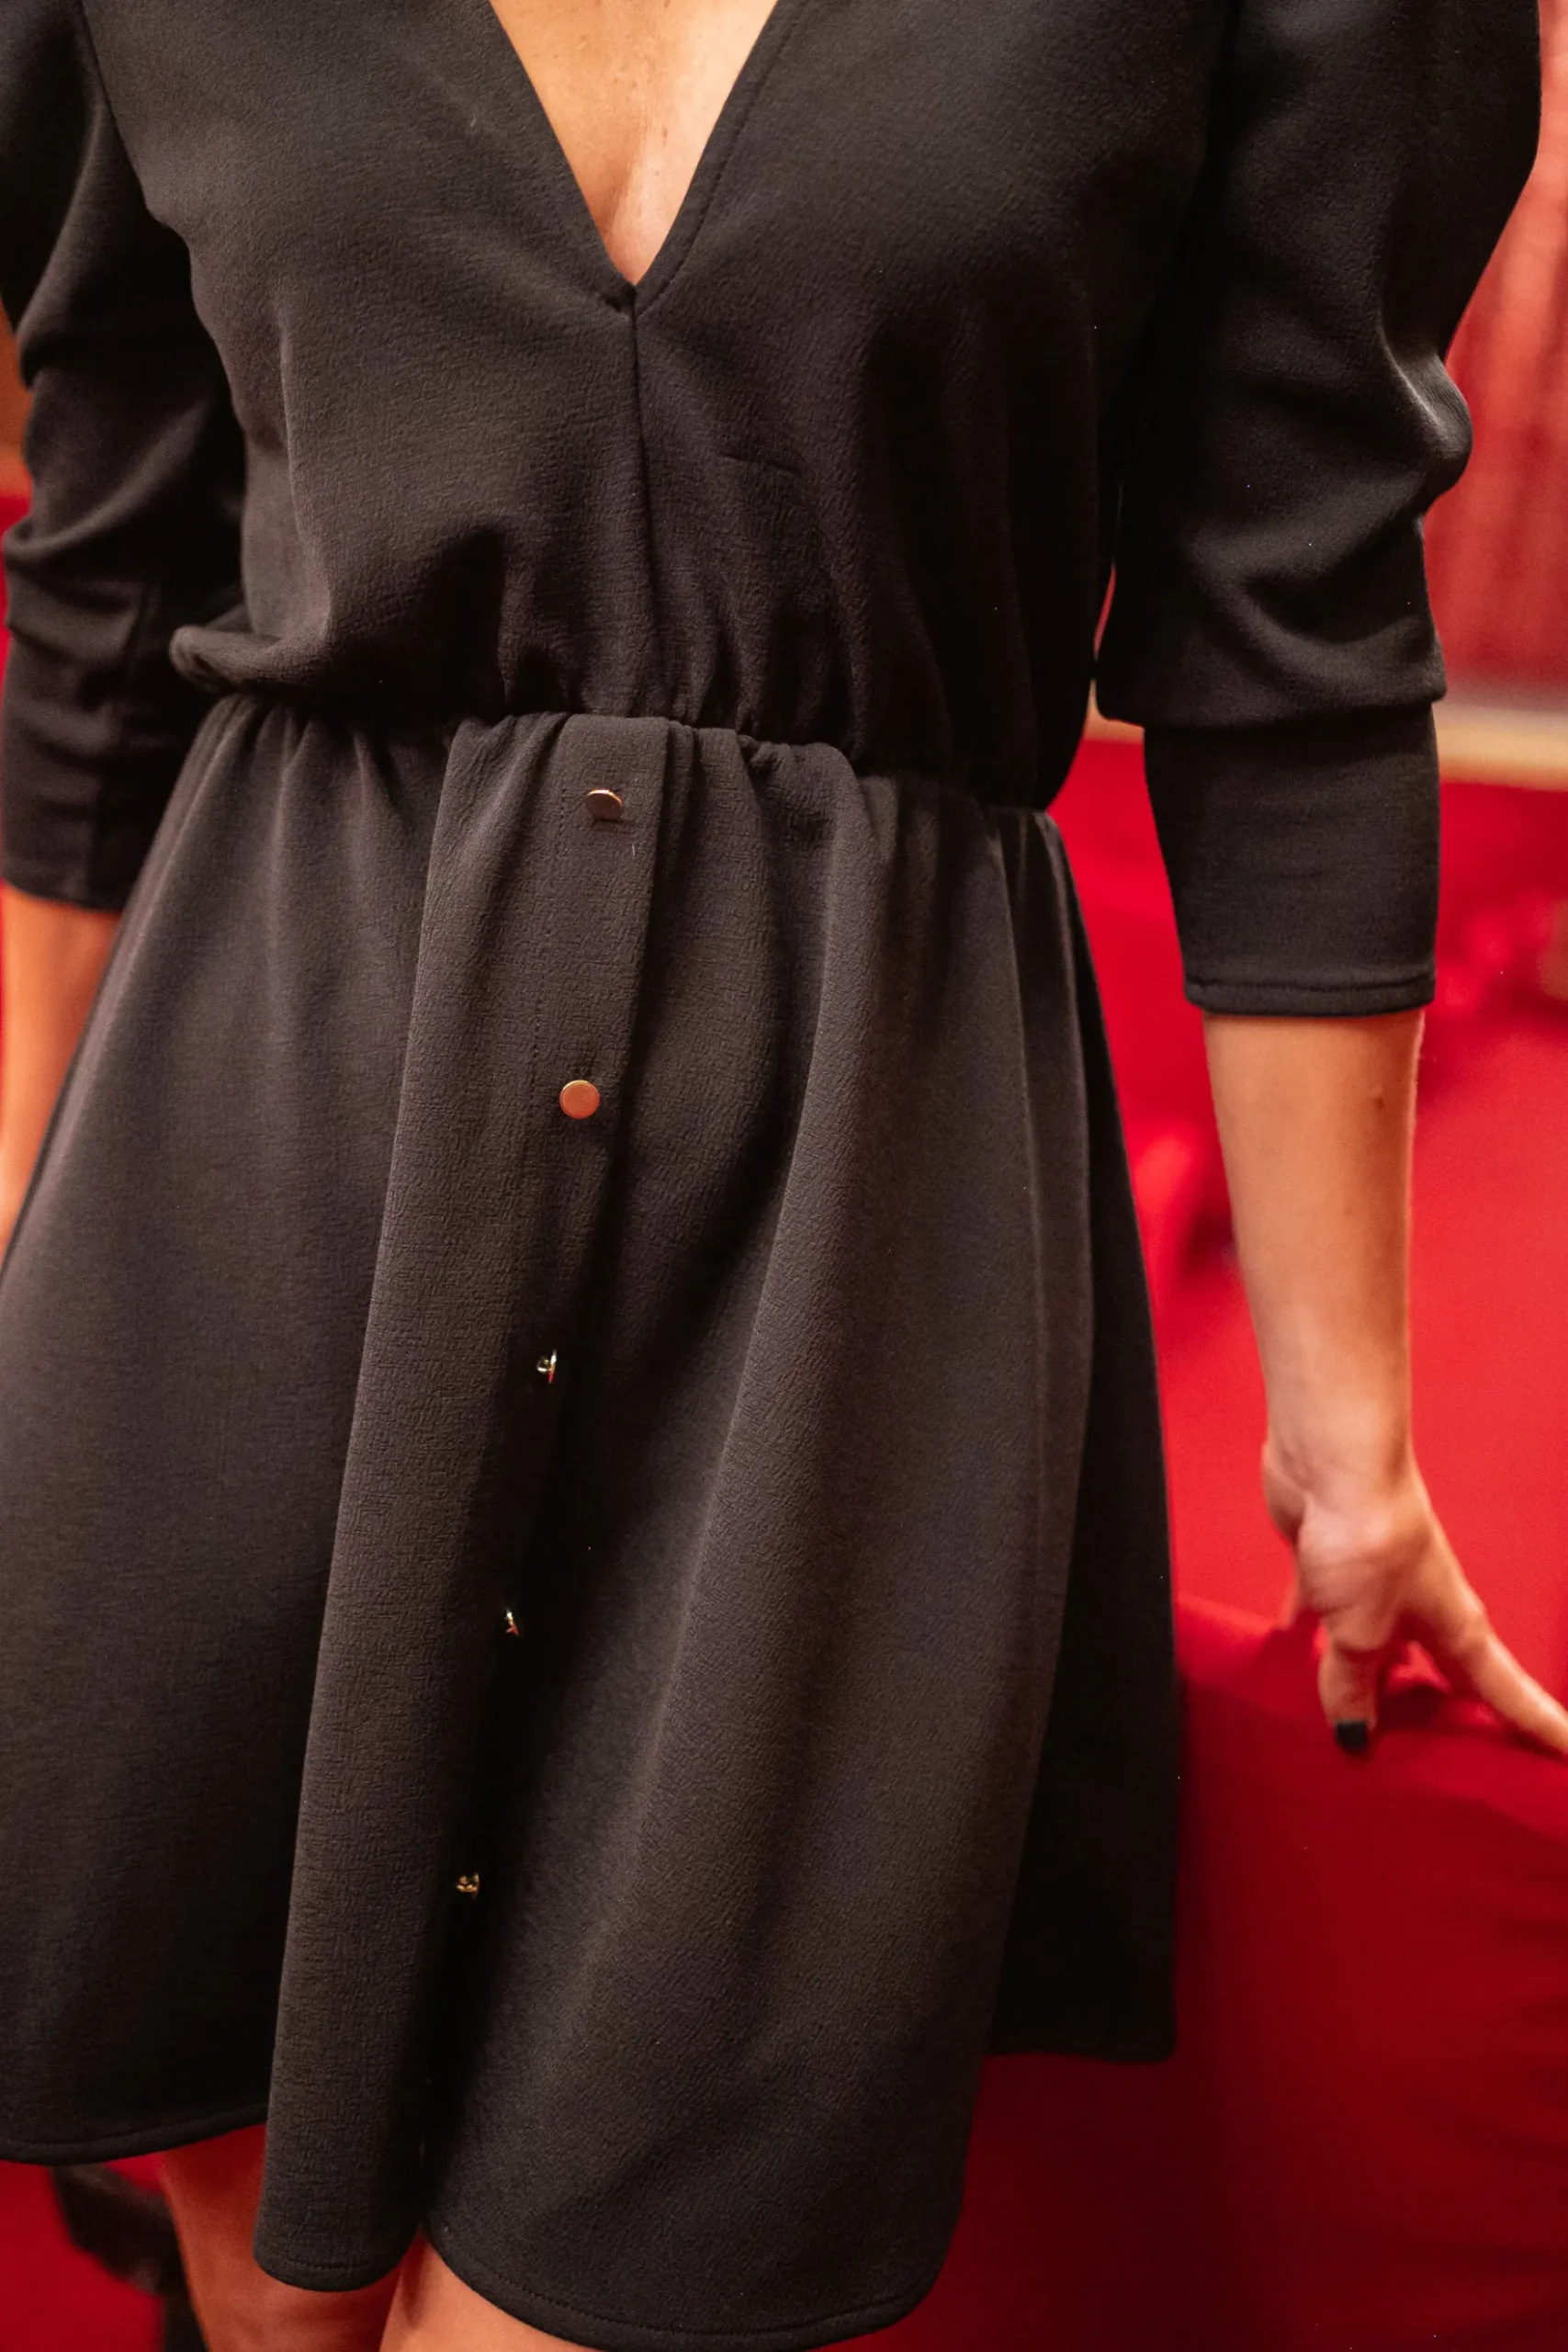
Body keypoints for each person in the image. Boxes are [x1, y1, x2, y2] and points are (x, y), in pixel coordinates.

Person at [3, 2, 1565, 2347]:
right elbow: (110, 577)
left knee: (609, 2255)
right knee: (271, 2294)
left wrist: (1351, 1448)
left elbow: (1294, 643)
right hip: (244, 1178)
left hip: (848, 1246)